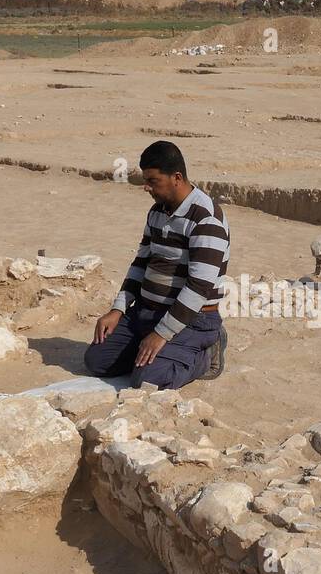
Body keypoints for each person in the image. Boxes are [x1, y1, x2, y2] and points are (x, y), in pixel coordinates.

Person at [84, 141, 229, 389]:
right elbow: (141, 262)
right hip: (145, 311)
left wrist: (162, 333)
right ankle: (157, 351)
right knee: (97, 360)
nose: (146, 188)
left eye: (153, 181)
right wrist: (118, 309)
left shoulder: (206, 219)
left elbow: (198, 288)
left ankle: (205, 353)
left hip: (192, 319)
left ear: (177, 177)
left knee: (148, 379)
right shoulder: (156, 212)